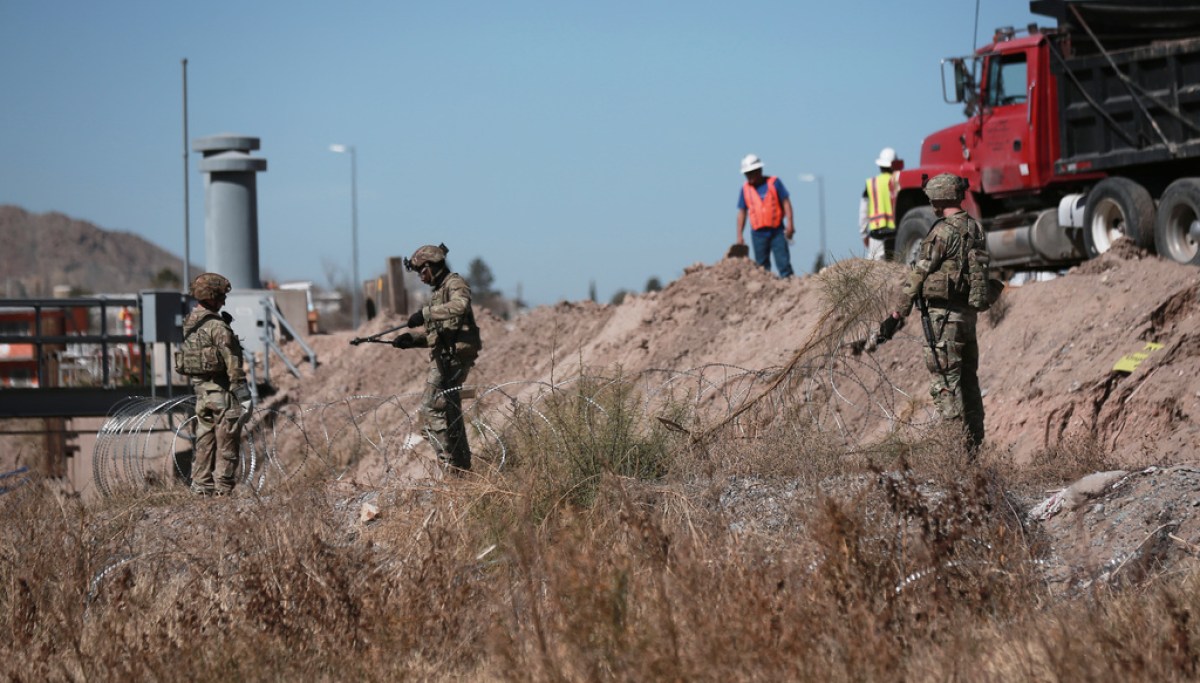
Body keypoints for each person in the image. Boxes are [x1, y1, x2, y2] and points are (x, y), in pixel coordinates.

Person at [877, 173, 987, 452]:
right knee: (969, 383)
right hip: (966, 318)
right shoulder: (975, 228)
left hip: (943, 320)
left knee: (946, 384)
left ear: (939, 197)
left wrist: (896, 316)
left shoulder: (942, 233)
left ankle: (955, 451)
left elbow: (918, 274)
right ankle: (974, 448)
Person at [392, 244, 482, 472]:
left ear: (431, 266)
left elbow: (460, 305)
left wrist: (425, 314)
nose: (421, 278)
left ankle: (450, 466)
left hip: (455, 357)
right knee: (448, 413)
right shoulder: (437, 294)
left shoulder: (455, 284)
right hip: (445, 356)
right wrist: (412, 340)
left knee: (430, 409)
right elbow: (439, 335)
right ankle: (461, 468)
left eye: (421, 272)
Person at [176, 272, 251, 495]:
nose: (223, 302)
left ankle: (201, 487)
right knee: (228, 441)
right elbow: (233, 363)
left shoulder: (190, 322)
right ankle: (222, 490)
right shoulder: (218, 327)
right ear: (211, 296)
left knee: (204, 441)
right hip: (222, 394)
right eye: (220, 297)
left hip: (201, 393)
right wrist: (243, 395)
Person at [736, 154, 796, 277]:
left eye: (751, 173)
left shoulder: (774, 183)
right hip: (758, 234)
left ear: (759, 170)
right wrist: (739, 235)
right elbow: (742, 212)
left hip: (777, 231)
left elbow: (786, 203)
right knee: (762, 268)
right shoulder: (745, 189)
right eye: (747, 174)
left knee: (784, 264)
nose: (749, 177)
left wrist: (790, 224)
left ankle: (789, 283)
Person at [859, 147, 899, 260]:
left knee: (875, 268)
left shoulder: (871, 183)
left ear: (880, 165)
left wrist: (863, 234)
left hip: (877, 237)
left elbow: (863, 213)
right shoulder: (899, 182)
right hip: (897, 235)